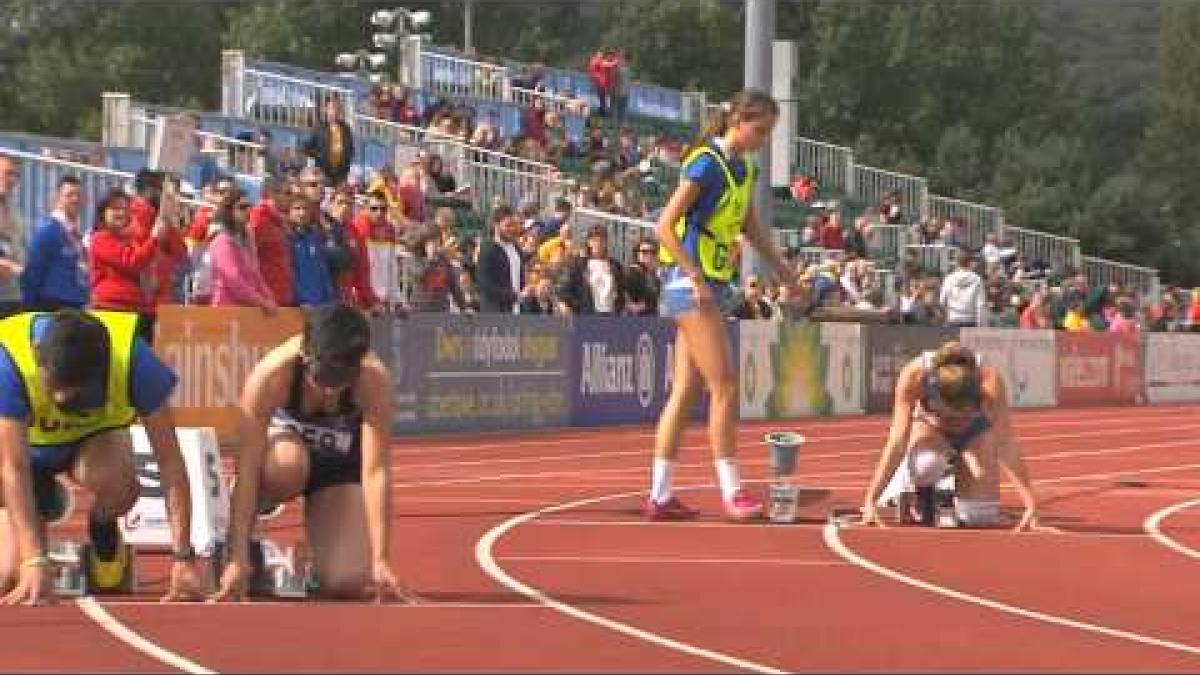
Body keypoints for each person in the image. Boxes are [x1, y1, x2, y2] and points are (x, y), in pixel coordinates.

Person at [649, 89, 796, 521]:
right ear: (737, 121)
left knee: (685, 390)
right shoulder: (704, 163)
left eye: (769, 133)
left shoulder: (743, 168)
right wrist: (693, 276)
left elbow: (750, 227)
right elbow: (664, 226)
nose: (763, 140)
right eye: (760, 130)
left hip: (711, 283)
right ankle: (733, 491)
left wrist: (782, 269)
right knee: (726, 386)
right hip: (690, 287)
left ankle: (659, 495)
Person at [0, 309, 203, 605]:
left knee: (118, 481)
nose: (59, 402)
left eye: (76, 397)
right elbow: (12, 467)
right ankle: (35, 515)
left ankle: (103, 528)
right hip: (23, 449)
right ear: (37, 356)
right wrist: (33, 560)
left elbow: (170, 460)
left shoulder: (135, 360)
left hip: (93, 443)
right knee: (9, 577)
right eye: (54, 389)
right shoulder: (8, 362)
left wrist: (183, 557)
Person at [211, 304, 406, 601]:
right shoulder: (271, 376)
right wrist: (237, 558)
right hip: (282, 457)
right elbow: (247, 469)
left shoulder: (373, 381)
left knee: (346, 581)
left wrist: (382, 559)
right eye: (321, 379)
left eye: (340, 383)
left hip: (338, 468)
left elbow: (376, 471)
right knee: (287, 465)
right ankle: (245, 543)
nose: (328, 393)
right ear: (305, 355)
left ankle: (311, 563)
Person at [860, 341, 1045, 531]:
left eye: (964, 414)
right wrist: (870, 499)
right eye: (950, 414)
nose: (956, 422)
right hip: (930, 427)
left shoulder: (990, 381)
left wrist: (1031, 504)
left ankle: (951, 483)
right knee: (926, 465)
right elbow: (897, 442)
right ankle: (912, 486)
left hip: (975, 432)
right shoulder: (915, 375)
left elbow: (1006, 444)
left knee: (978, 517)